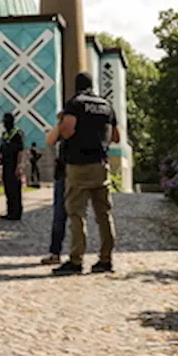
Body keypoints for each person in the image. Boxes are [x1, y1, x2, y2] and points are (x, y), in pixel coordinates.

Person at [52, 72, 120, 275]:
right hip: (101, 164)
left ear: (76, 86)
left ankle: (76, 260)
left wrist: (62, 122)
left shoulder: (75, 104)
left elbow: (68, 130)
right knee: (104, 214)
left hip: (79, 165)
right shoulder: (106, 105)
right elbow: (116, 136)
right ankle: (106, 259)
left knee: (76, 213)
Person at [41, 111, 68, 265]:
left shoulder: (64, 127)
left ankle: (56, 253)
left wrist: (60, 123)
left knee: (60, 215)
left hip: (65, 173)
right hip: (76, 171)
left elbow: (50, 140)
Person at [0, 112, 25, 221]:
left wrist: (19, 166)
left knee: (15, 189)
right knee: (8, 189)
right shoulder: (5, 134)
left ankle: (16, 212)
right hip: (6, 164)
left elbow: (20, 151)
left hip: (14, 164)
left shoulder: (17, 134)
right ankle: (9, 211)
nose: (5, 124)